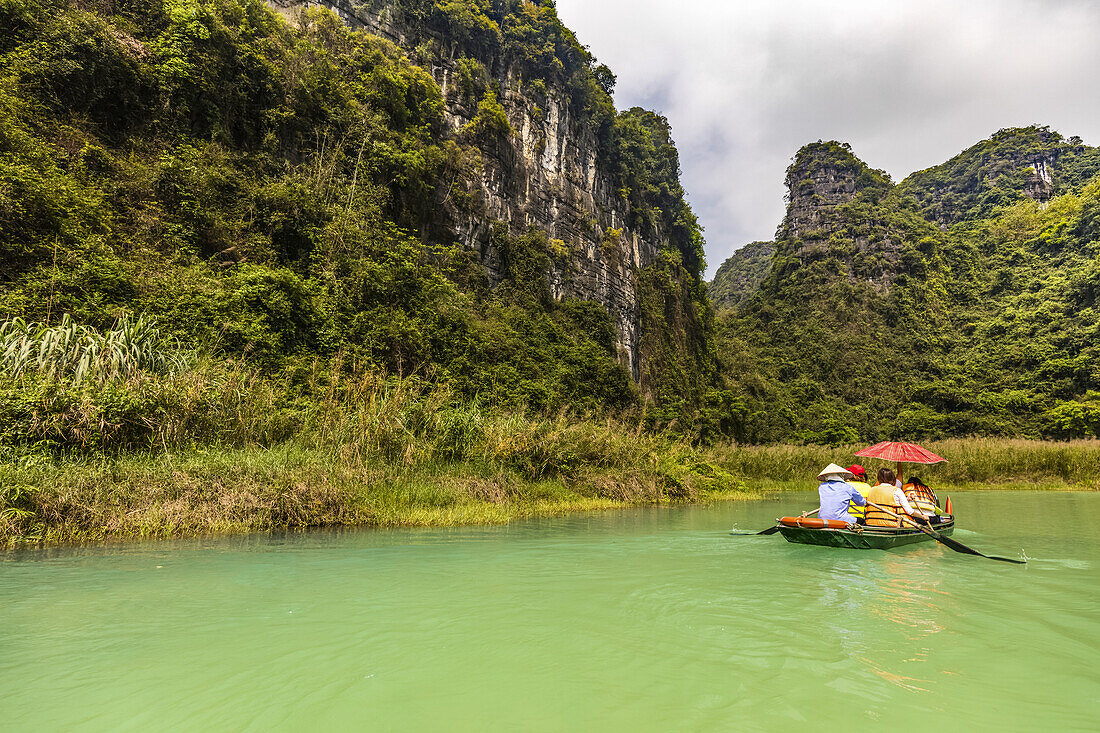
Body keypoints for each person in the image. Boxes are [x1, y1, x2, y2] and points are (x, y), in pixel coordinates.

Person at [865, 467, 932, 527]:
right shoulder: (897, 491)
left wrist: (907, 499)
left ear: (878, 479)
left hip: (871, 523)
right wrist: (923, 517)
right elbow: (910, 511)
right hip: (892, 524)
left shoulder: (871, 490)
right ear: (892, 479)